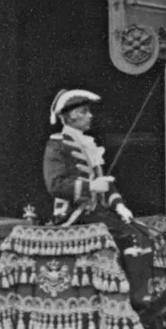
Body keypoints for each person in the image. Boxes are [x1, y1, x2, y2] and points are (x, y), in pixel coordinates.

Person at [43, 88, 154, 306]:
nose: (90, 116)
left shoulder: (88, 144)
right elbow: (55, 185)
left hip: (95, 210)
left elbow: (105, 183)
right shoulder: (56, 144)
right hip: (72, 214)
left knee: (142, 233)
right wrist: (90, 186)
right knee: (130, 236)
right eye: (84, 111)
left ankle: (142, 291)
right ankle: (134, 297)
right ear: (71, 115)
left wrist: (120, 206)